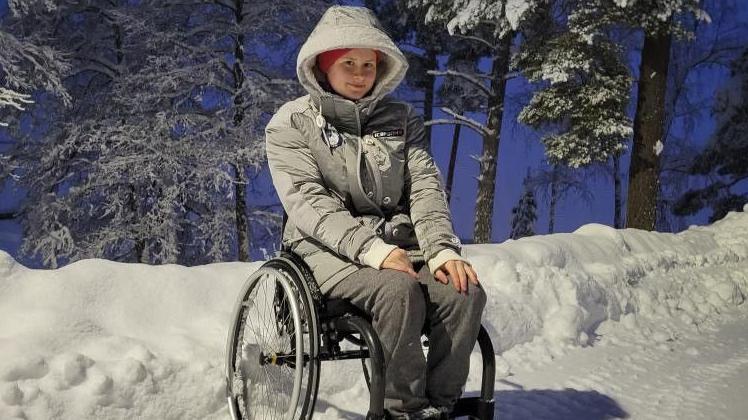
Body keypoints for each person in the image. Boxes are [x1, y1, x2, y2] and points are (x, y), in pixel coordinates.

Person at [265, 5, 486, 419]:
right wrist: (371, 250)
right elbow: (307, 199)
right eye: (347, 62)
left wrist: (440, 249)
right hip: (324, 251)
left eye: (369, 63)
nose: (360, 72)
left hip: (402, 247)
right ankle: (401, 410)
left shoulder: (403, 120)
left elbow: (424, 186)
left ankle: (438, 407)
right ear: (322, 64)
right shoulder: (291, 123)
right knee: (397, 292)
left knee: (464, 291)